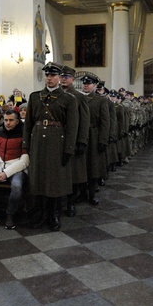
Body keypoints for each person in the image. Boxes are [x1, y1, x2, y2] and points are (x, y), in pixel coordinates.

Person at [23, 62, 79, 231]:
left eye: (53, 75)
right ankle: (41, 213)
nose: (49, 78)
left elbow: (72, 126)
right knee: (39, 178)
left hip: (57, 141)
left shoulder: (69, 99)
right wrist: (26, 145)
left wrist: (69, 148)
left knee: (54, 180)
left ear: (59, 77)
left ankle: (54, 214)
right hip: (38, 141)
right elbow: (29, 124)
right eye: (47, 75)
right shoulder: (34, 97)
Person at [60, 66, 90, 216]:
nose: (64, 79)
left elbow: (84, 121)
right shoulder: (56, 95)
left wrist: (82, 141)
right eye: (62, 76)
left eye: (67, 77)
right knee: (60, 174)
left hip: (74, 139)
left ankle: (71, 203)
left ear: (72, 79)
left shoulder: (79, 97)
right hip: (58, 141)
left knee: (74, 174)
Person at [80, 72, 109, 206]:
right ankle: (80, 193)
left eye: (89, 84)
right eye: (84, 83)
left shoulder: (101, 100)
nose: (86, 86)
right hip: (79, 135)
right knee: (80, 166)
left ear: (95, 85)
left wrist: (103, 140)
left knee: (93, 167)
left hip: (94, 135)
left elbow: (105, 122)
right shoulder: (77, 98)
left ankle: (91, 194)